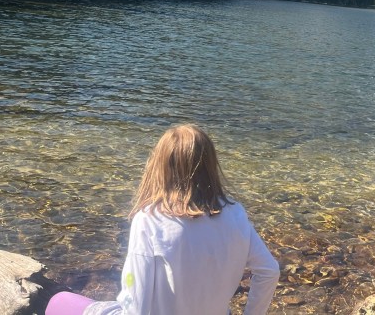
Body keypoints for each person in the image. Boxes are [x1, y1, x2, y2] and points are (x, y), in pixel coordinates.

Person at [46, 124, 280, 315]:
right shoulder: (235, 213)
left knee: (58, 301)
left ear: (161, 167)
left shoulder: (150, 220)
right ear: (210, 165)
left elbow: (137, 302)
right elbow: (269, 271)